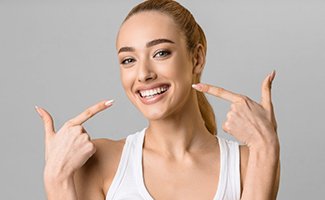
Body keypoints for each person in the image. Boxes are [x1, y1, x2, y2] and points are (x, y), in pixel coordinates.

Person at [35, 0, 280, 199]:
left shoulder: (248, 162)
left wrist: (266, 148)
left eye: (161, 53)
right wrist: (56, 180)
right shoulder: (100, 161)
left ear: (197, 58)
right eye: (128, 60)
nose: (144, 74)